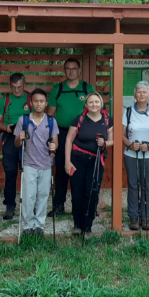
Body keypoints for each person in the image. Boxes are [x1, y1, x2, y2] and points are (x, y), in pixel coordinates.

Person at [46, 58, 95, 218]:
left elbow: (97, 111)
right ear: (64, 70)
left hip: (84, 134)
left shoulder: (88, 88)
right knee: (61, 170)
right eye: (68, 68)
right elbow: (50, 115)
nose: (71, 71)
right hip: (62, 133)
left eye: (74, 68)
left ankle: (85, 205)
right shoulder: (57, 89)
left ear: (79, 70)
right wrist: (52, 137)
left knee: (83, 171)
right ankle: (59, 205)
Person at [63, 92, 110, 236]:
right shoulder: (79, 119)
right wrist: (67, 161)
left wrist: (105, 143)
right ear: (86, 104)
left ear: (101, 104)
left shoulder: (108, 120)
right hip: (78, 160)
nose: (94, 104)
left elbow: (112, 139)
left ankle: (88, 226)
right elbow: (69, 140)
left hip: (96, 161)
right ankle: (78, 224)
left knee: (92, 192)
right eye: (91, 102)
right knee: (77, 192)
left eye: (97, 102)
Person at [121, 82, 149, 232]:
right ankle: (133, 217)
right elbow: (122, 134)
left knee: (146, 186)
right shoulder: (127, 111)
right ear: (134, 94)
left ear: (148, 94)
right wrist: (130, 145)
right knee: (133, 185)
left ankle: (146, 216)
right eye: (138, 92)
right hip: (131, 154)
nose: (141, 95)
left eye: (144, 92)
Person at [14, 88, 58, 236]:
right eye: (35, 101)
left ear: (46, 103)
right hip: (29, 164)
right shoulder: (23, 120)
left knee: (43, 195)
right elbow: (16, 144)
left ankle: (39, 225)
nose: (38, 104)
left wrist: (54, 146)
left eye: (41, 101)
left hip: (46, 164)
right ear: (31, 103)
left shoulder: (51, 121)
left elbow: (55, 143)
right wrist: (19, 138)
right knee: (28, 196)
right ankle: (27, 225)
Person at [0, 72, 30, 220]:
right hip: (9, 137)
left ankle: (28, 205)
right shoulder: (5, 100)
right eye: (14, 87)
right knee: (10, 173)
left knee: (28, 173)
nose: (17, 90)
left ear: (24, 85)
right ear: (10, 86)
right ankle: (10, 206)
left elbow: (39, 117)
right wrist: (7, 128)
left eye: (19, 87)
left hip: (28, 139)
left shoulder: (30, 99)